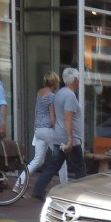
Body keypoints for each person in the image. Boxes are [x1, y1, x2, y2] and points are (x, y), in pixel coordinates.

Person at [32, 67, 86, 200]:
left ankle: (38, 190)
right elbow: (68, 118)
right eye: (78, 79)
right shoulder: (70, 96)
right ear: (75, 80)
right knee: (80, 168)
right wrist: (70, 139)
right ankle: (84, 195)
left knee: (53, 165)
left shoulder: (60, 93)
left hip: (57, 136)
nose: (79, 81)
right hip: (68, 138)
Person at [27, 70, 67, 188]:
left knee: (37, 160)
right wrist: (58, 129)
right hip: (48, 130)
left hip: (38, 130)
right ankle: (65, 186)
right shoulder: (52, 96)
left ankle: (19, 183)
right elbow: (52, 115)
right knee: (62, 161)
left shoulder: (40, 93)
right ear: (55, 83)